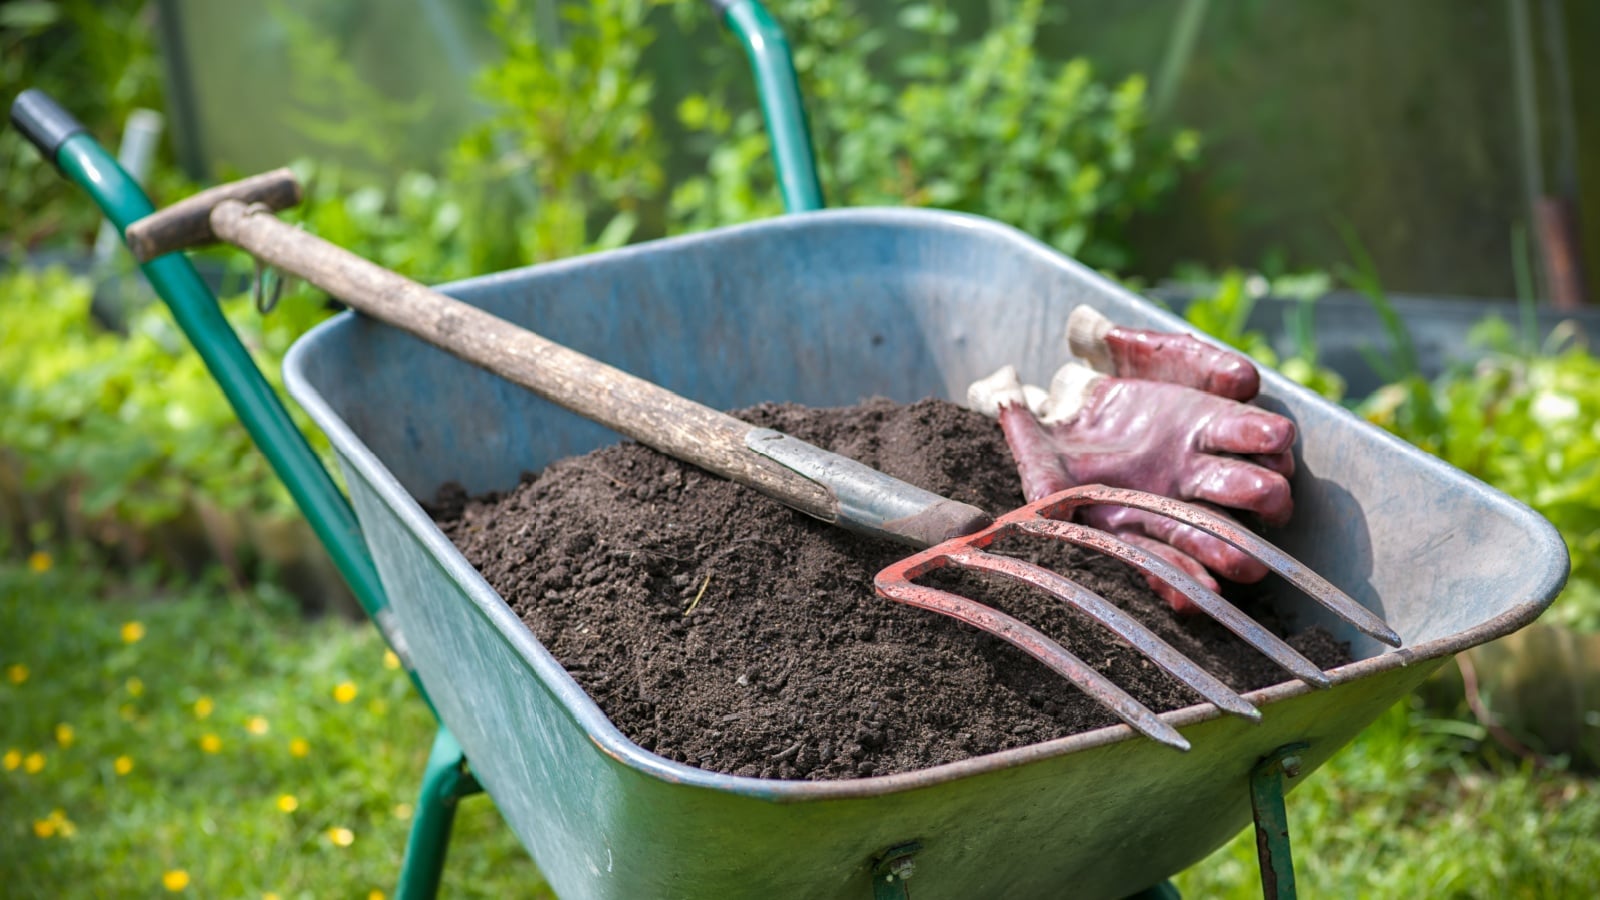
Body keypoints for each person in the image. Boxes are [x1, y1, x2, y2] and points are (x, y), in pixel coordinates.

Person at [967, 306, 1297, 612]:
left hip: (1102, 397)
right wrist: (1011, 409)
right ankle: (1074, 399)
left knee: (1249, 411)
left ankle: (1095, 385)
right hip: (1064, 436)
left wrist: (1087, 390)